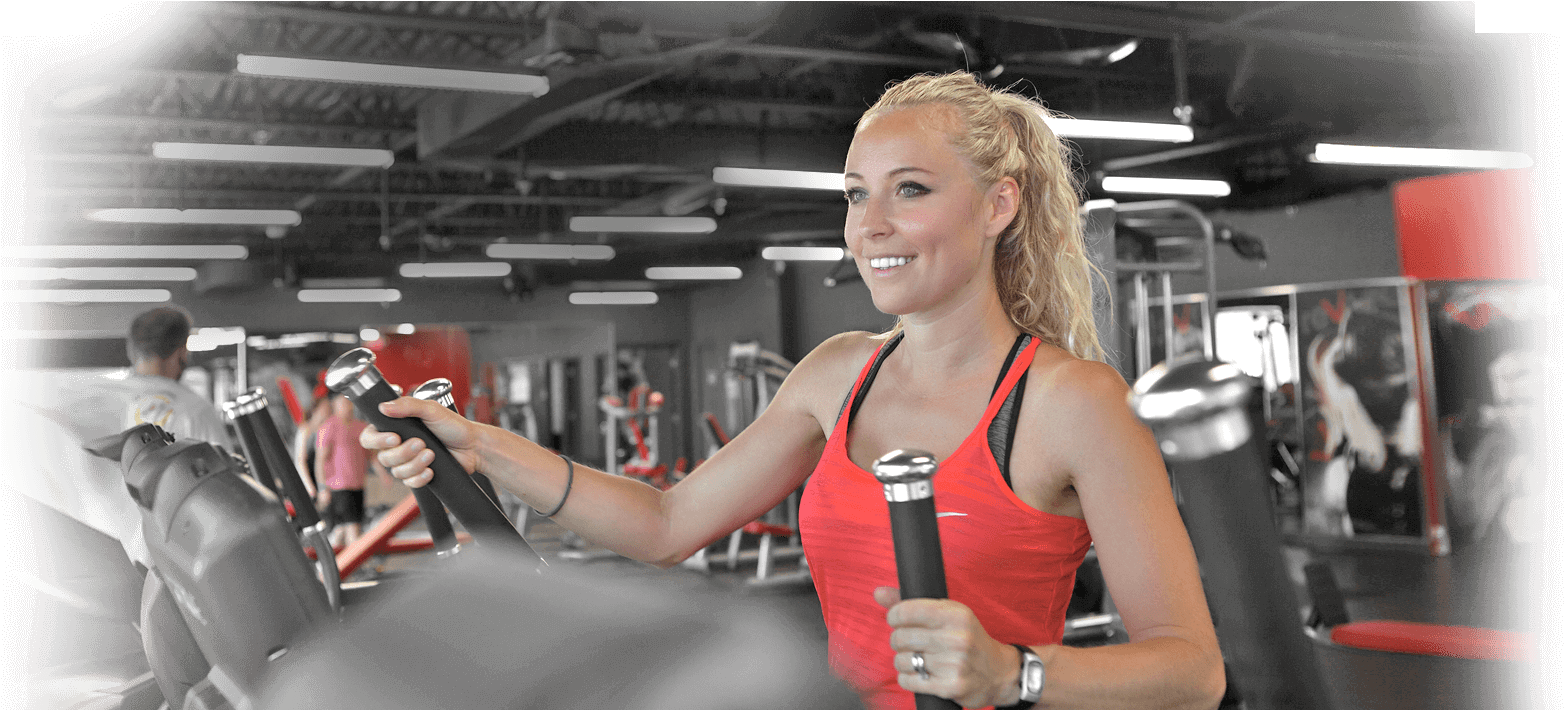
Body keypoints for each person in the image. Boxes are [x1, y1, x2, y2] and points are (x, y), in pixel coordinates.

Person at [361, 72, 1224, 710]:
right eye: (855, 196)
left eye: (909, 191)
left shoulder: (1072, 402)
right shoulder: (837, 372)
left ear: (999, 205)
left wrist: (1013, 672)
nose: (868, 226)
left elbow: (1192, 668)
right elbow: (665, 526)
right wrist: (483, 447)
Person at [124, 306, 232, 449]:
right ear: (182, 351)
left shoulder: (104, 404)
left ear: (131, 350)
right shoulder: (195, 411)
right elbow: (225, 468)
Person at [315, 393, 393, 547]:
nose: (348, 407)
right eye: (344, 403)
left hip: (357, 485)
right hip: (339, 486)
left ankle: (328, 566)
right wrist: (322, 488)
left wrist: (384, 475)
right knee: (352, 528)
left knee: (341, 530)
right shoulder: (328, 428)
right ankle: (358, 567)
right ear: (335, 405)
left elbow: (371, 456)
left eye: (349, 403)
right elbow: (320, 460)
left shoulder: (360, 427)